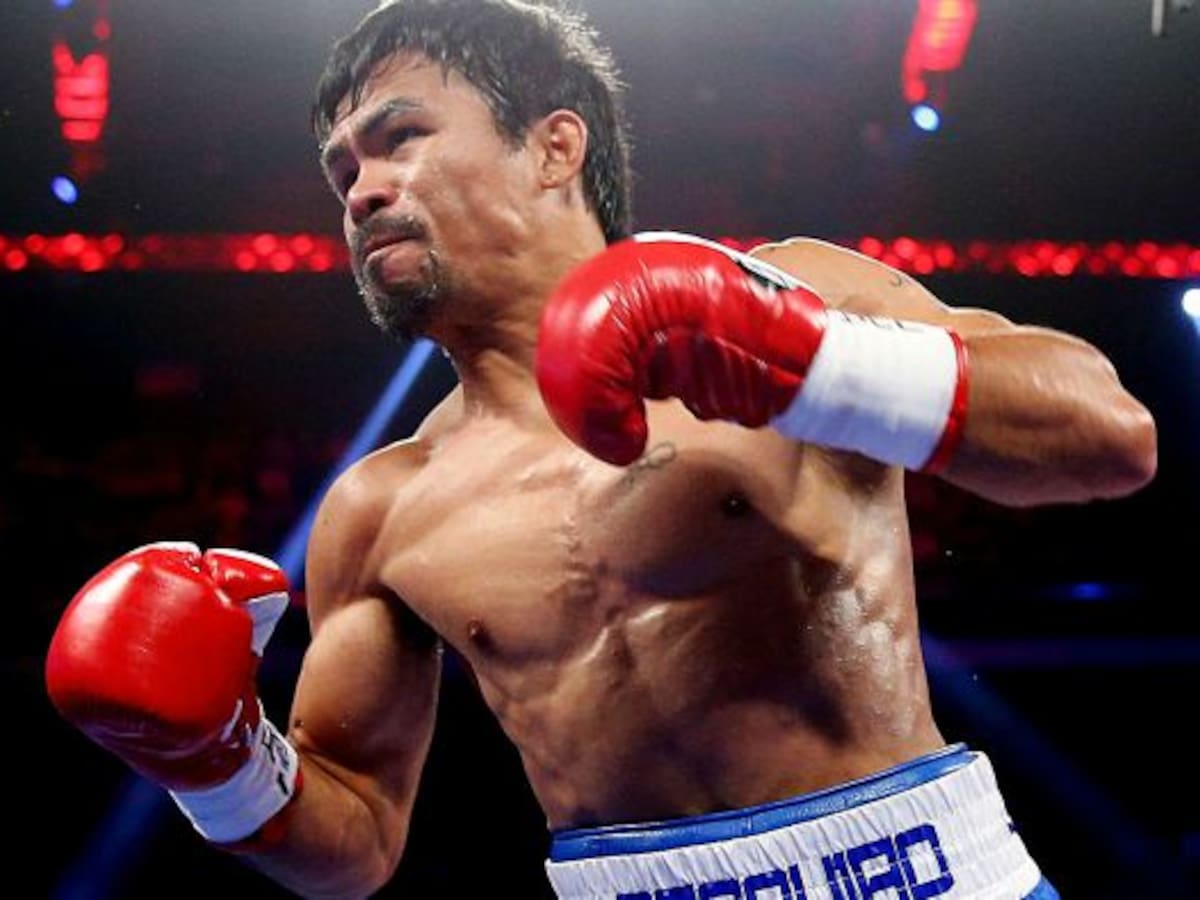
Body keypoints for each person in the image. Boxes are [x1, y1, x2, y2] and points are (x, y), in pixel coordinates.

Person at [46, 1, 1158, 898]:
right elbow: (360, 841)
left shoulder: (796, 292)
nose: (364, 190)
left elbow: (1110, 437)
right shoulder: (379, 510)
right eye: (343, 174)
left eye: (399, 139)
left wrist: (813, 361)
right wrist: (220, 768)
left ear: (554, 147)